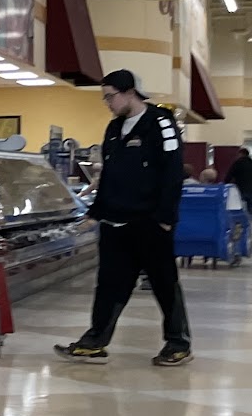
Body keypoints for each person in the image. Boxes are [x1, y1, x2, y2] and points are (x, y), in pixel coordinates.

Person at [57, 70, 191, 366]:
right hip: (115, 223)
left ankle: (178, 343)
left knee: (164, 284)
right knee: (109, 284)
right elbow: (109, 176)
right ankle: (95, 341)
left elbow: (173, 172)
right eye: (105, 98)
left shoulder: (160, 122)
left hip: (150, 222)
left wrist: (165, 217)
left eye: (110, 97)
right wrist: (95, 214)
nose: (108, 103)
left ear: (130, 93)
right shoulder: (114, 128)